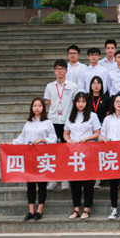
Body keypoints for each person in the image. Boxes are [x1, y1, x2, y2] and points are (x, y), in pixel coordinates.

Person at [0, 97, 56, 221]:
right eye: (35, 106)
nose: (37, 108)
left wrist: (42, 140)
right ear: (32, 108)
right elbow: (21, 139)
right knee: (30, 183)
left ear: (43, 108)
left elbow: (53, 138)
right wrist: (7, 144)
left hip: (42, 157)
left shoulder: (47, 123)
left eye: (39, 106)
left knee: (42, 183)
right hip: (30, 157)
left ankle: (40, 209)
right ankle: (31, 210)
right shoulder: (28, 123)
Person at [64, 92, 101, 220]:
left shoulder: (92, 116)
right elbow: (65, 133)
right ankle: (76, 209)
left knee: (88, 181)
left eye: (83, 101)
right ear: (75, 103)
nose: (81, 104)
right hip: (74, 153)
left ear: (87, 103)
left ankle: (87, 208)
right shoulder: (71, 116)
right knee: (75, 182)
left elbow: (97, 132)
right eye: (78, 102)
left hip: (88, 152)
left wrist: (86, 139)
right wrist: (68, 140)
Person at [43, 59, 79, 191]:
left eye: (62, 69)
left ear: (66, 71)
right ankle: (52, 179)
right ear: (54, 71)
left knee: (66, 150)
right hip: (53, 121)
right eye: (57, 69)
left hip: (66, 122)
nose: (60, 71)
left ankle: (65, 178)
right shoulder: (49, 86)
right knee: (52, 150)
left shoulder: (73, 86)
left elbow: (76, 103)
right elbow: (49, 103)